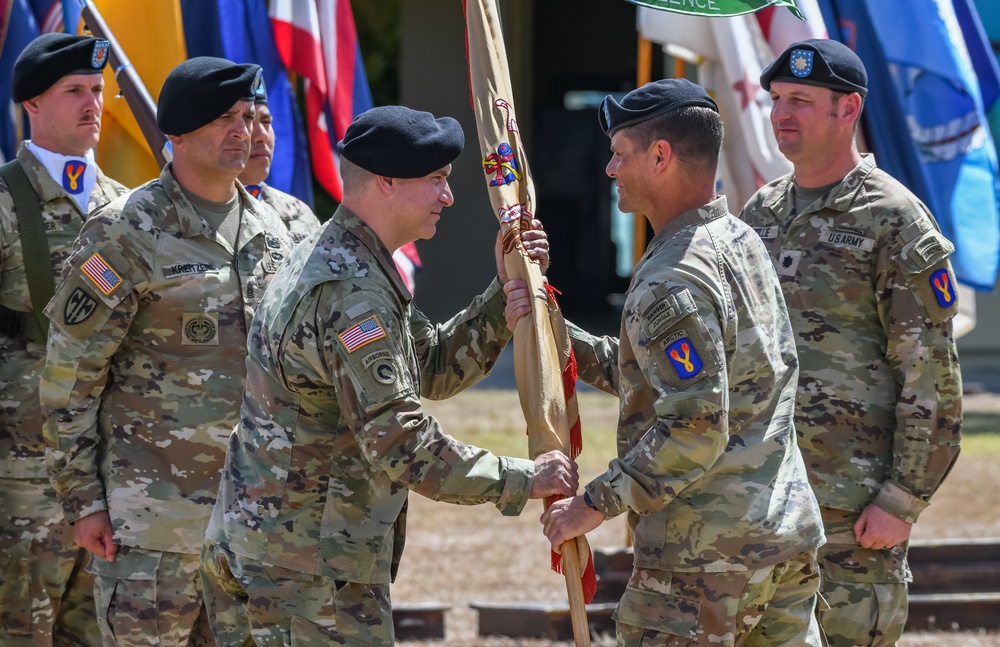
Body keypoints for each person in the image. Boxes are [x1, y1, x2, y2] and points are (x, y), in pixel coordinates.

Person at [201, 105, 578, 646]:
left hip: (282, 556)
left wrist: (503, 298)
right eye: (437, 180)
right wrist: (524, 477)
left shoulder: (349, 260)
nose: (448, 197)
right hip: (304, 578)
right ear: (386, 181)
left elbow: (430, 366)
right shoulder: (353, 292)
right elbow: (403, 443)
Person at [536, 78, 825, 647]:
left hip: (706, 559)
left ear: (660, 156)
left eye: (619, 154)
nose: (610, 170)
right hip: (781, 536)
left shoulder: (671, 277)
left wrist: (591, 505)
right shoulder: (738, 238)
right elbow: (671, 377)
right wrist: (547, 330)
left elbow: (693, 428)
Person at [40, 56, 293, 647]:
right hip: (152, 529)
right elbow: (67, 379)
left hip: (255, 526)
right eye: (223, 118)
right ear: (176, 133)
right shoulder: (123, 232)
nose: (244, 131)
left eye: (247, 116)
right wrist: (84, 503)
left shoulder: (274, 231)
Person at [741, 39, 963, 647]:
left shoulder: (894, 218)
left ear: (848, 109)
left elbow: (932, 379)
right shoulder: (761, 212)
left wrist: (903, 497)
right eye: (778, 99)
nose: (782, 112)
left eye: (802, 101)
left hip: (852, 514)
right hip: (766, 501)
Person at [0, 33, 128, 646]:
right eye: (74, 91)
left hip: (112, 475)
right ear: (31, 105)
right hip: (22, 479)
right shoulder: (3, 202)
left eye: (98, 91)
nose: (92, 104)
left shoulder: (128, 209)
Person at [238, 77, 320, 246]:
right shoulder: (203, 210)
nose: (262, 136)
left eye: (266, 122)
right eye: (249, 122)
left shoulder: (299, 212)